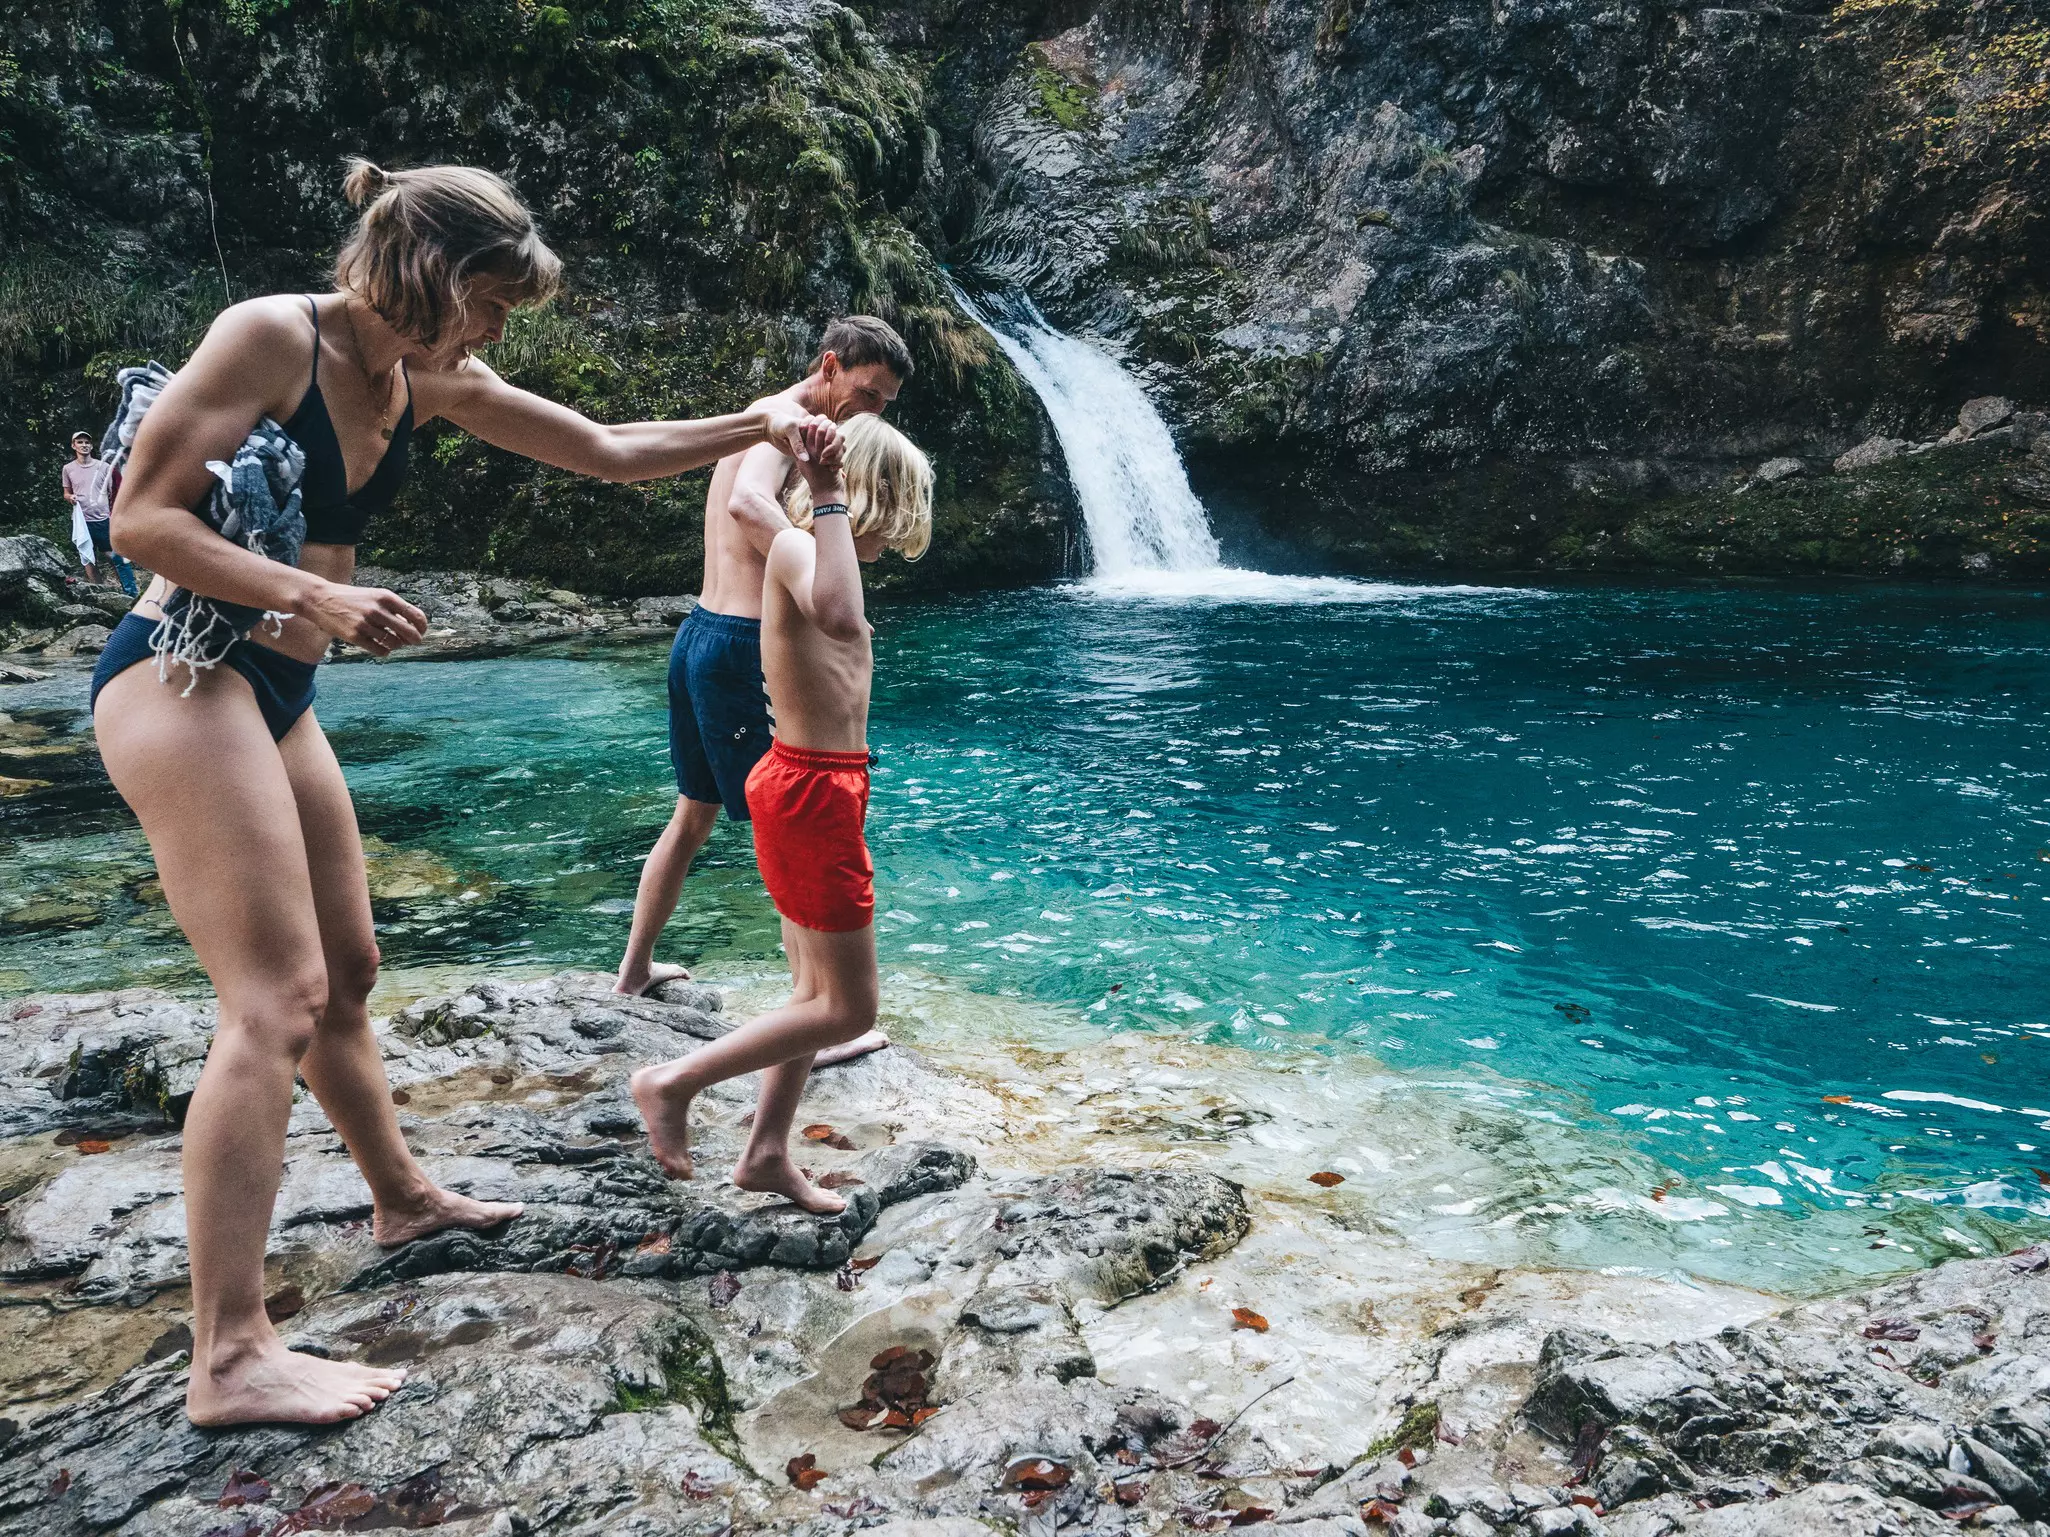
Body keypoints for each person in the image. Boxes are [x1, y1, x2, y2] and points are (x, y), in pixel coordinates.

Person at [91, 158, 836, 1429]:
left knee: (352, 967)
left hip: (278, 694)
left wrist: (758, 423)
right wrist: (314, 596)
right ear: (434, 277)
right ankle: (230, 1353)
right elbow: (137, 521)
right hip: (184, 676)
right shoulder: (272, 333)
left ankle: (400, 1197)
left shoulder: (419, 373)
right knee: (273, 1002)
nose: (498, 332)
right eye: (492, 304)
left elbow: (604, 451)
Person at [632, 413, 933, 1213]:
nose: (898, 534)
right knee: (848, 1007)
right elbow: (837, 614)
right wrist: (829, 493)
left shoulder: (804, 546)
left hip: (813, 784)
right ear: (875, 495)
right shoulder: (803, 545)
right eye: (899, 507)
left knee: (810, 993)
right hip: (810, 791)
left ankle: (765, 1152)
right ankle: (671, 1082)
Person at [612, 316, 911, 1024]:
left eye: (886, 405)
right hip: (744, 646)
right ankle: (816, 1004)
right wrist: (814, 571)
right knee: (793, 836)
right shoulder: (792, 422)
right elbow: (751, 502)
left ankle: (632, 972)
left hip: (701, 633)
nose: (871, 413)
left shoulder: (767, 416)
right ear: (831, 367)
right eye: (867, 394)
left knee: (692, 816)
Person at [62, 430, 138, 595]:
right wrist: (70, 497)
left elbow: (113, 492)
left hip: (103, 519)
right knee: (88, 559)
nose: (84, 445)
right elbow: (66, 492)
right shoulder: (68, 469)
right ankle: (99, 594)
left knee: (115, 557)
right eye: (80, 442)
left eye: (87, 442)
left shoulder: (103, 466)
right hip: (83, 521)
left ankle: (130, 592)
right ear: (73, 445)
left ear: (91, 445)